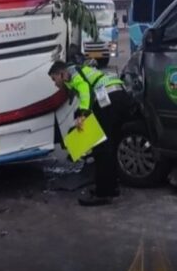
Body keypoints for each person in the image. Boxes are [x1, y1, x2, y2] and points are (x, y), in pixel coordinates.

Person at [48, 60, 132, 206]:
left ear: (61, 74)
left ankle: (103, 193)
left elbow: (85, 89)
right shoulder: (78, 71)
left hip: (109, 98)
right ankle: (111, 187)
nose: (55, 84)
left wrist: (83, 114)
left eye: (54, 79)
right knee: (110, 146)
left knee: (101, 148)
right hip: (119, 95)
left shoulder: (72, 75)